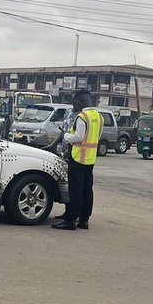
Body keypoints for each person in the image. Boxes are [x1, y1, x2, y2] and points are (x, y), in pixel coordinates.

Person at [53, 90, 103, 230]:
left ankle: (70, 220)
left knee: (75, 191)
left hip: (78, 158)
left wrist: (66, 136)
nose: (73, 105)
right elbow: (97, 137)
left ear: (80, 102)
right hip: (90, 159)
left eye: (74, 103)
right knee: (87, 190)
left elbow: (78, 137)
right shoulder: (98, 117)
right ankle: (84, 220)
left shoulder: (82, 117)